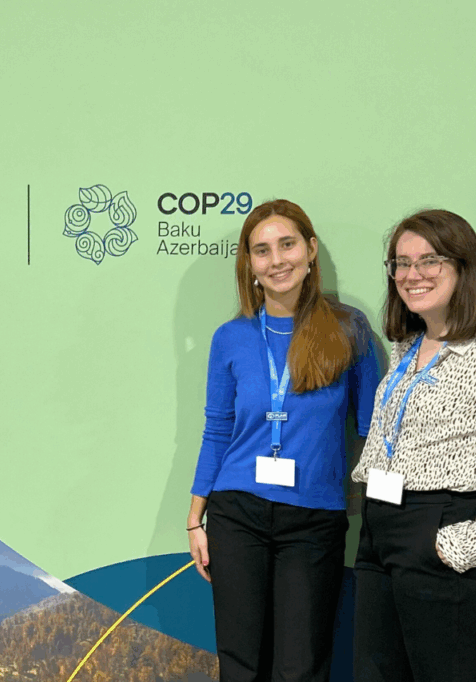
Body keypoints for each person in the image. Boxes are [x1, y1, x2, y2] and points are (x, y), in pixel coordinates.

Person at [351, 209, 476, 682]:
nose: (411, 274)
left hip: (443, 531)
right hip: (381, 531)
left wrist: (467, 544)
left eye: (429, 260)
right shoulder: (407, 345)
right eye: (400, 262)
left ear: (464, 265)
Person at [186, 199, 381, 682]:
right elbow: (216, 431)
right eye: (262, 250)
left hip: (314, 519)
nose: (277, 260)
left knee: (300, 667)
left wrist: (389, 517)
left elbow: (374, 431)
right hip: (236, 514)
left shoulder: (348, 328)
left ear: (311, 250)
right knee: (240, 664)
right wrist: (195, 518)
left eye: (287, 244)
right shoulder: (230, 338)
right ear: (249, 265)